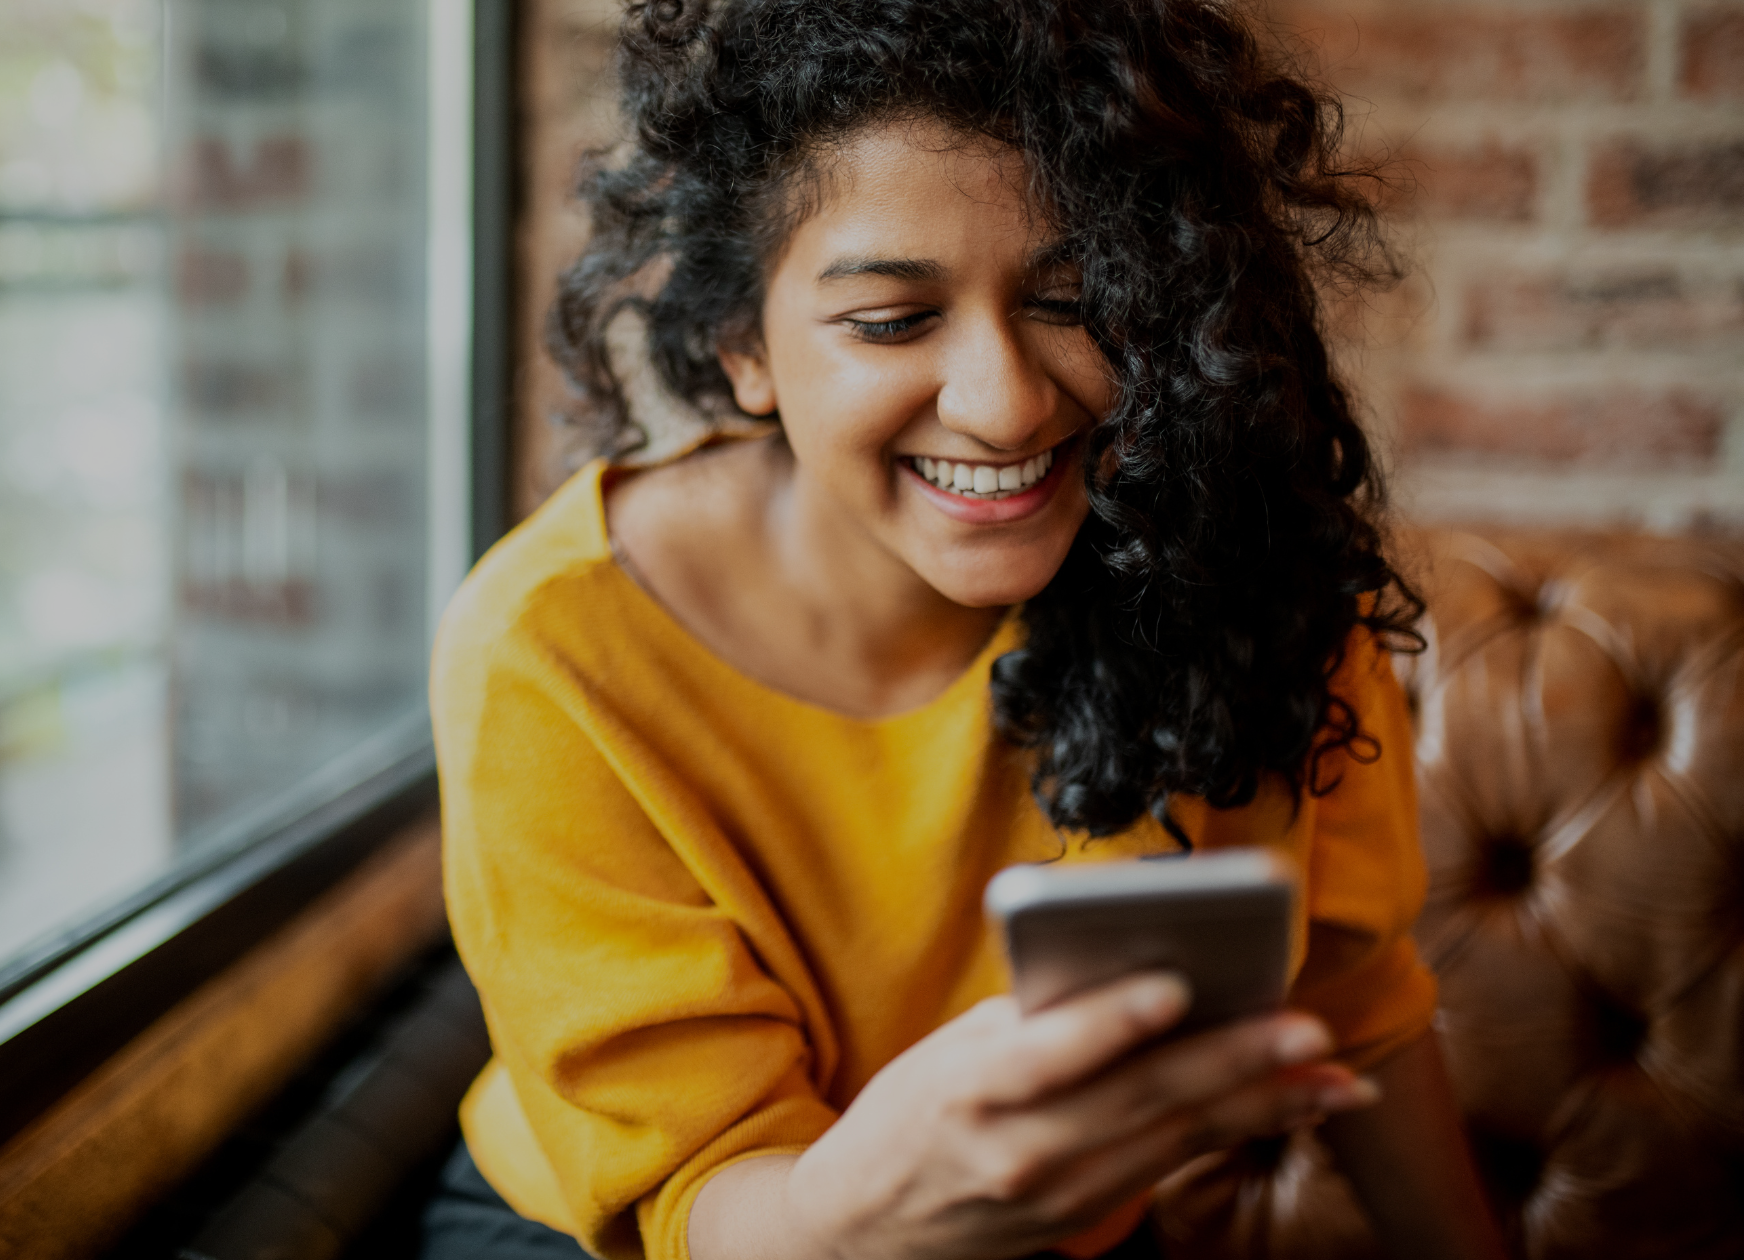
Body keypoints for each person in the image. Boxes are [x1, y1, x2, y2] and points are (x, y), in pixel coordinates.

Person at [424, 2, 1509, 1258]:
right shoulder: (550, 651)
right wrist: (869, 1212)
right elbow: (698, 1192)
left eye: (1075, 299)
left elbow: (1352, 991)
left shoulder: (1245, 568)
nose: (1001, 407)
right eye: (890, 321)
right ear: (741, 346)